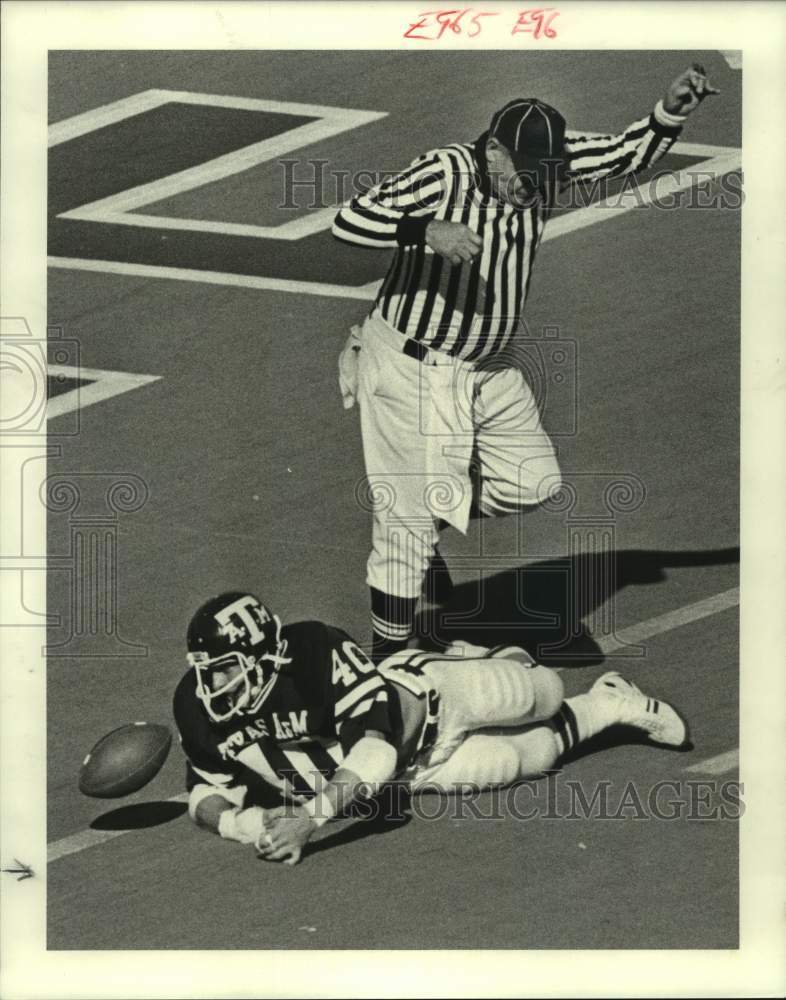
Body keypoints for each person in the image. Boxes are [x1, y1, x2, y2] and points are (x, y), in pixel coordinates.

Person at [331, 64, 720, 662]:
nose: (535, 185)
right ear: (494, 151)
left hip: (486, 367)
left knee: (534, 481)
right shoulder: (444, 172)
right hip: (411, 365)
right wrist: (425, 230)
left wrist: (669, 112)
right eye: (524, 171)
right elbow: (349, 219)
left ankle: (425, 518)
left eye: (546, 172)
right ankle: (389, 668)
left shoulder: (550, 167)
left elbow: (623, 153)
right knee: (404, 531)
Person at [173, 591, 689, 865]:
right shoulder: (198, 707)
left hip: (432, 700)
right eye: (205, 670)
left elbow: (374, 752)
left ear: (264, 658)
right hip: (408, 775)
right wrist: (242, 825)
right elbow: (203, 790)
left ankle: (476, 654)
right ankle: (609, 702)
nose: (212, 685)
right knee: (531, 756)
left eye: (224, 669)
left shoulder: (313, 652)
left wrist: (308, 819)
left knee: (545, 691)